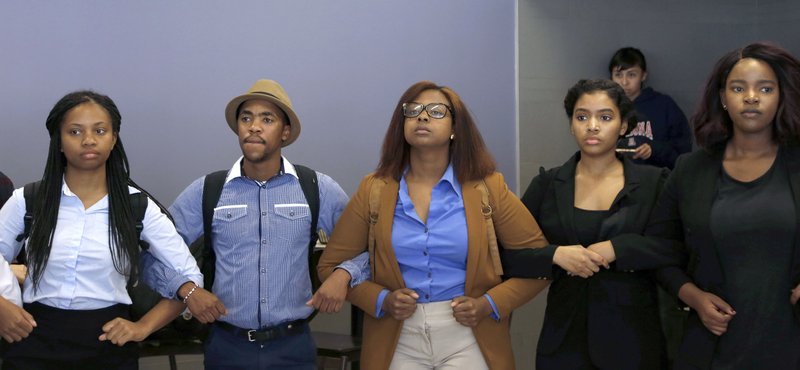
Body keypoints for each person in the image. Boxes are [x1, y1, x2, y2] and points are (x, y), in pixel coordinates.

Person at [317, 80, 551, 370]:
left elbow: (539, 263)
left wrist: (488, 304)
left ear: (456, 128)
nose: (423, 116)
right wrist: (381, 300)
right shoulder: (374, 189)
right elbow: (330, 266)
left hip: (469, 332)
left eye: (437, 111)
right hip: (396, 333)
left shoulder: (488, 187)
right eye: (413, 110)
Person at [161, 79, 359, 369]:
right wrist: (188, 290)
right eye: (246, 118)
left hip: (293, 347)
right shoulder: (208, 190)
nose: (254, 126)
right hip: (227, 347)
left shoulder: (317, 188)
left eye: (267, 119)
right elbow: (157, 249)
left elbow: (367, 244)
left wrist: (344, 275)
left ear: (285, 132)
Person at [0, 91, 203, 369]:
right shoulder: (28, 200)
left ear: (114, 138)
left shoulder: (137, 206)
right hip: (33, 339)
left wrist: (142, 328)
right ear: (59, 141)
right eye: (74, 131)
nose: (88, 140)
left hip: (107, 345)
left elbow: (190, 277)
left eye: (100, 130)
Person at [502, 79, 677, 369]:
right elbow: (508, 256)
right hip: (564, 338)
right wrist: (555, 255)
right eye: (582, 117)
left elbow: (674, 248)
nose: (592, 126)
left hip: (633, 339)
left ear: (623, 126)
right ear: (571, 125)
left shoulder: (654, 183)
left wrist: (618, 248)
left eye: (605, 117)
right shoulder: (547, 185)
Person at [649, 42, 800, 369]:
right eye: (738, 87)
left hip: (790, 345)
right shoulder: (689, 170)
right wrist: (693, 297)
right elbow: (659, 253)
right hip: (712, 350)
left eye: (765, 88)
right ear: (722, 98)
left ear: (780, 96)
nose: (751, 97)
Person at [610, 47, 692, 169]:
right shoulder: (606, 108)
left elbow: (682, 154)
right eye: (618, 75)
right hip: (614, 181)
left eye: (631, 75)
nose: (624, 82)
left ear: (643, 76)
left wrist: (653, 150)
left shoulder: (664, 105)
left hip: (658, 181)